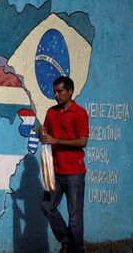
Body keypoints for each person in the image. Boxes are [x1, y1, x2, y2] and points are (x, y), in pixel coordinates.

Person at [38, 76, 89, 253]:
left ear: (70, 91)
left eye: (60, 91)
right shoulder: (51, 112)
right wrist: (41, 134)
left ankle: (77, 249)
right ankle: (68, 242)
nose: (56, 95)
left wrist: (56, 140)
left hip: (74, 172)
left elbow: (83, 141)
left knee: (74, 215)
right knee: (47, 206)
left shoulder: (79, 113)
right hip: (55, 172)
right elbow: (46, 136)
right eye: (54, 92)